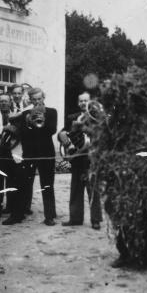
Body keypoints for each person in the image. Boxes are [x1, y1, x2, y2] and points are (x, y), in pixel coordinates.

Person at [58, 92, 102, 230]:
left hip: (91, 159)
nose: (83, 103)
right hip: (77, 158)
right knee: (76, 189)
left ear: (91, 102)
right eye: (81, 101)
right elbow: (63, 133)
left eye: (86, 101)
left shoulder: (97, 117)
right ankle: (75, 218)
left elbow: (101, 135)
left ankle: (96, 220)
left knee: (92, 190)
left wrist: (83, 127)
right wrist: (63, 138)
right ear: (78, 103)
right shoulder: (72, 117)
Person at [17, 87, 58, 226]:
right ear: (30, 100)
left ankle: (50, 216)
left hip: (46, 154)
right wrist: (29, 123)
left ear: (43, 98)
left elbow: (52, 130)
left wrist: (42, 120)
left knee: (47, 184)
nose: (37, 102)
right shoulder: (25, 114)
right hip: (30, 154)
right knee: (24, 184)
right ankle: (19, 214)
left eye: (39, 99)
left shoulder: (52, 112)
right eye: (34, 99)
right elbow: (22, 134)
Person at [0, 93, 26, 225]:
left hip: (13, 153)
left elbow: (20, 131)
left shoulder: (18, 114)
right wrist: (5, 128)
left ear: (10, 102)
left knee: (13, 183)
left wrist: (14, 130)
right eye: (1, 101)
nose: (4, 103)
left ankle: (12, 210)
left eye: (6, 101)